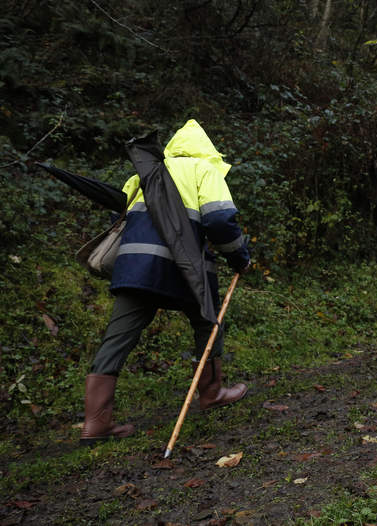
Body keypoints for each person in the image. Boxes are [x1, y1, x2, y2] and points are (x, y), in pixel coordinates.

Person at [80, 119, 251, 445]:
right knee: (207, 321)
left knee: (118, 336)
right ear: (208, 150)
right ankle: (212, 393)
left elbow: (121, 218)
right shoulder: (204, 170)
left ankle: (95, 423)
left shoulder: (147, 172)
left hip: (135, 265)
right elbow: (218, 218)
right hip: (182, 266)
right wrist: (239, 256)